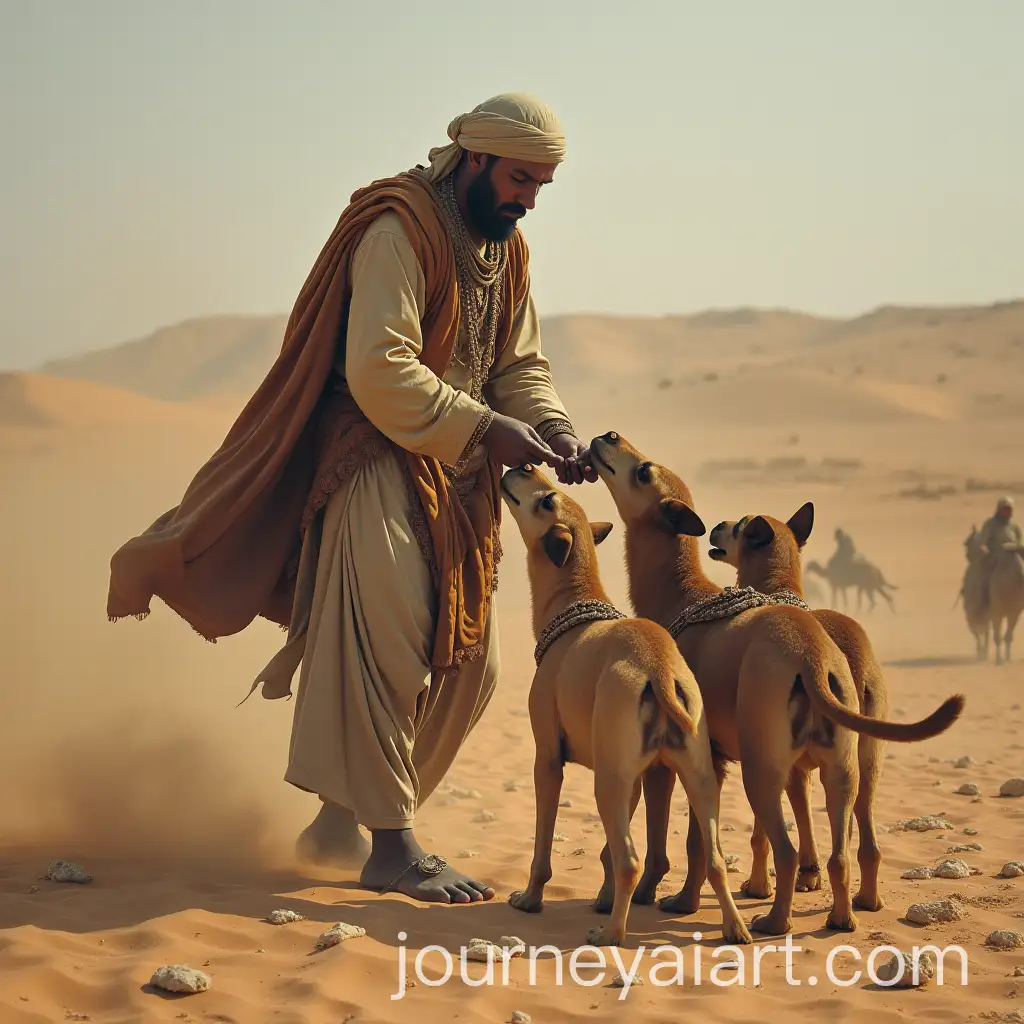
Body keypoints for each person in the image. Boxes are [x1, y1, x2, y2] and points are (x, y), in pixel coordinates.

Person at [106, 92, 596, 906]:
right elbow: (380, 368)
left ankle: (342, 821)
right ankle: (391, 845)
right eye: (520, 180)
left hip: (458, 472)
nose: (530, 200)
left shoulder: (505, 250)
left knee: (473, 665)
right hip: (372, 456)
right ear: (475, 158)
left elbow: (518, 365)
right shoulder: (398, 228)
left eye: (542, 185)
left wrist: (552, 427)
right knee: (383, 639)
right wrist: (484, 427)